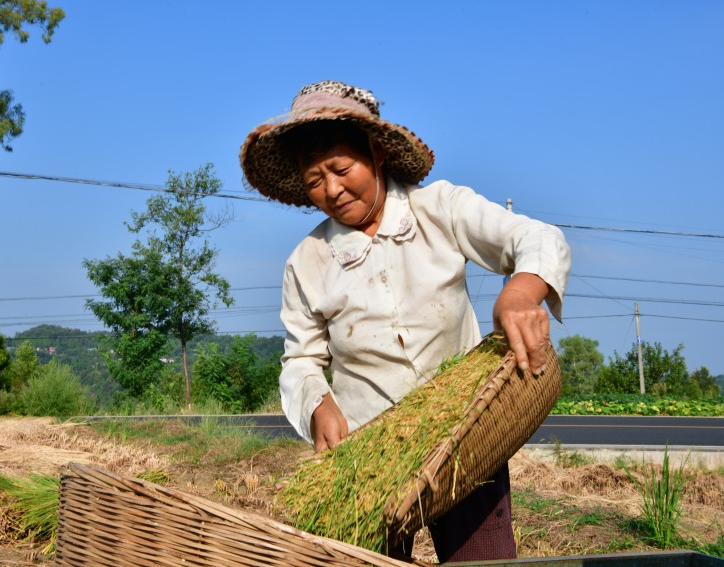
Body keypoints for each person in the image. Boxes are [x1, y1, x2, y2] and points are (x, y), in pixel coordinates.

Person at [239, 80, 571, 562]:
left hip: (467, 435)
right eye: (314, 180)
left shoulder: (438, 208)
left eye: (340, 168)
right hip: (370, 455)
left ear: (375, 155)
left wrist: (520, 291)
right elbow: (301, 361)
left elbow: (536, 238)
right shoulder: (306, 261)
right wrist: (317, 406)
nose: (331, 190)